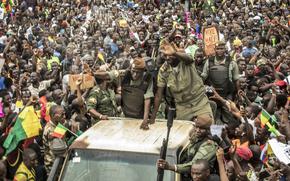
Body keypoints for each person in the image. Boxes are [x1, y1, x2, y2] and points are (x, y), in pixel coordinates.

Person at [151, 40, 213, 122]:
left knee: (207, 125)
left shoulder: (185, 61)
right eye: (165, 56)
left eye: (170, 55)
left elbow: (189, 59)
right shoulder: (163, 70)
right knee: (184, 131)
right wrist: (153, 117)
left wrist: (174, 53)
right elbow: (159, 95)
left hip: (200, 102)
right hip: (182, 106)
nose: (168, 58)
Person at [157, 115, 218, 180]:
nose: (197, 130)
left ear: (208, 130)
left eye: (201, 128)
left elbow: (194, 166)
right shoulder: (196, 137)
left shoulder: (208, 146)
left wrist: (170, 167)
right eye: (196, 127)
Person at [42, 105, 67, 174]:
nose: (64, 116)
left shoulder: (57, 124)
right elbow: (60, 145)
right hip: (52, 163)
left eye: (64, 114)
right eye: (62, 115)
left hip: (58, 160)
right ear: (53, 116)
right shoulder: (50, 130)